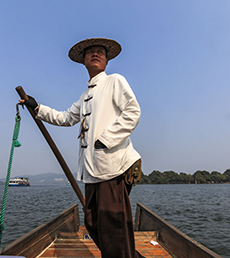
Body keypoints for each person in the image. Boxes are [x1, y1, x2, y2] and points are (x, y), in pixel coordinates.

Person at [21, 38, 144, 258]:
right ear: (84, 61)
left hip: (112, 166)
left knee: (113, 226)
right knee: (93, 222)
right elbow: (66, 117)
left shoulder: (114, 81)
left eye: (100, 52)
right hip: (92, 171)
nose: (95, 54)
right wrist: (37, 107)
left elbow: (132, 111)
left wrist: (106, 139)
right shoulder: (85, 95)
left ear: (106, 61)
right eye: (90, 52)